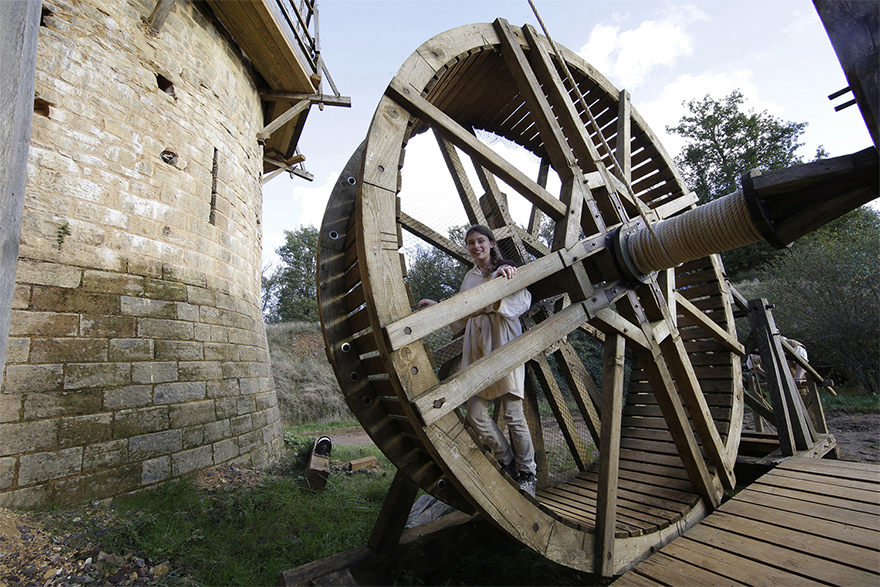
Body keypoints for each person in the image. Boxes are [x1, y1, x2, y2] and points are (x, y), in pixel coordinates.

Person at [417, 225, 537, 496]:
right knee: (475, 413)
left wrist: (500, 283)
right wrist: (438, 307)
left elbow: (522, 302)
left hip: (503, 341)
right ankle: (507, 461)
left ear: (491, 243)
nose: (476, 246)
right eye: (471, 242)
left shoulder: (506, 269)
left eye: (481, 241)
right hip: (477, 345)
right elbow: (462, 309)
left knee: (513, 412)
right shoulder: (470, 276)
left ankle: (528, 473)